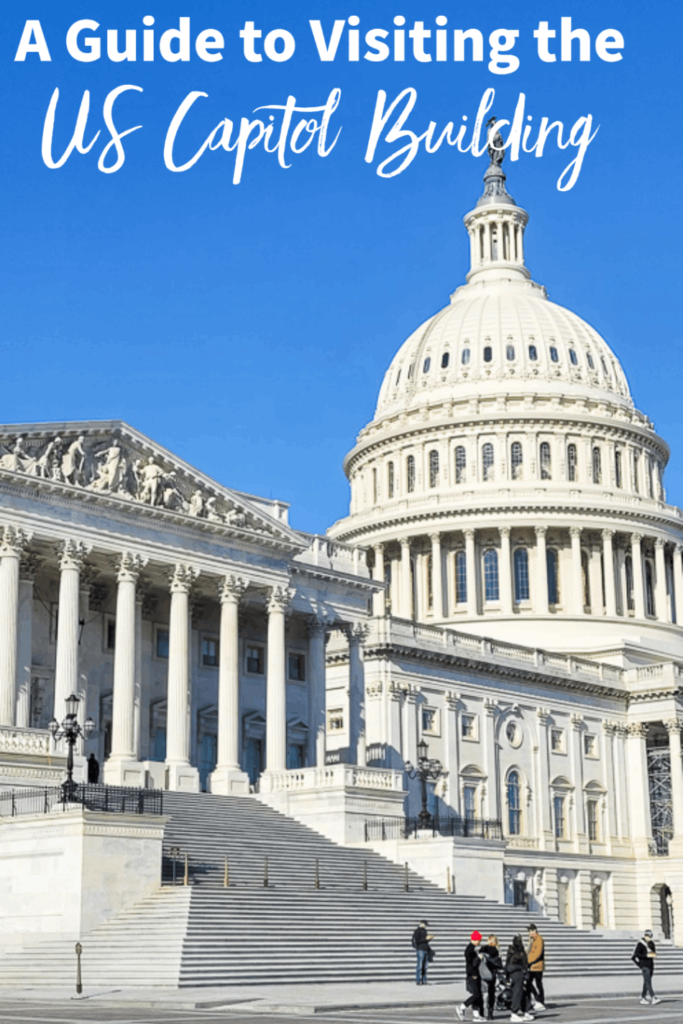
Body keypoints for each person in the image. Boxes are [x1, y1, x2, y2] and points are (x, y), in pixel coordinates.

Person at [456, 930, 484, 1021]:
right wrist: (479, 958)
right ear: (476, 940)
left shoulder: (471, 949)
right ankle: (462, 1007)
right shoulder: (470, 950)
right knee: (476, 995)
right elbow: (473, 964)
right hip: (473, 975)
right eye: (479, 940)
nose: (479, 942)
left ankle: (476, 1015)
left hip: (474, 974)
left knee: (478, 995)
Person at [506, 934, 533, 1023]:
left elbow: (507, 963)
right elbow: (525, 964)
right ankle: (514, 1013)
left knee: (521, 993)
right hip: (519, 973)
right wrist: (526, 973)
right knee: (518, 993)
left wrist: (507, 977)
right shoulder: (521, 952)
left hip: (512, 973)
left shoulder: (511, 950)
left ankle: (525, 1011)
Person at [632, 929, 661, 1005]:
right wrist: (641, 963)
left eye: (650, 936)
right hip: (644, 965)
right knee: (648, 981)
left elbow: (654, 952)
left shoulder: (651, 943)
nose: (649, 937)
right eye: (647, 936)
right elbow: (635, 955)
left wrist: (653, 955)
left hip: (650, 964)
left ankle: (643, 997)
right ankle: (653, 997)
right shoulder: (640, 944)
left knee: (646, 982)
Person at [479, 934, 503, 1020]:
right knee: (491, 993)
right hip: (492, 974)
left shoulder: (484, 948)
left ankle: (481, 1012)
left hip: (483, 974)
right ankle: (490, 1013)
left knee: (481, 993)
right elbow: (499, 965)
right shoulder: (497, 951)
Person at [525, 924, 545, 1011]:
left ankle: (541, 1001)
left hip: (537, 966)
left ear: (534, 930)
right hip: (531, 966)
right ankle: (529, 1002)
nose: (529, 933)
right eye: (528, 931)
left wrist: (528, 961)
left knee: (538, 984)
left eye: (530, 931)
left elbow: (537, 954)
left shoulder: (539, 940)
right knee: (528, 983)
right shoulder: (531, 939)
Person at [411, 918, 433, 985]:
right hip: (420, 949)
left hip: (425, 948)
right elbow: (417, 941)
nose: (426, 926)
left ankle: (424, 980)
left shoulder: (425, 931)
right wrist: (425, 939)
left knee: (425, 966)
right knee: (419, 966)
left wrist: (428, 939)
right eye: (425, 924)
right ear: (422, 924)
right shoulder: (417, 931)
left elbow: (424, 940)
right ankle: (418, 980)